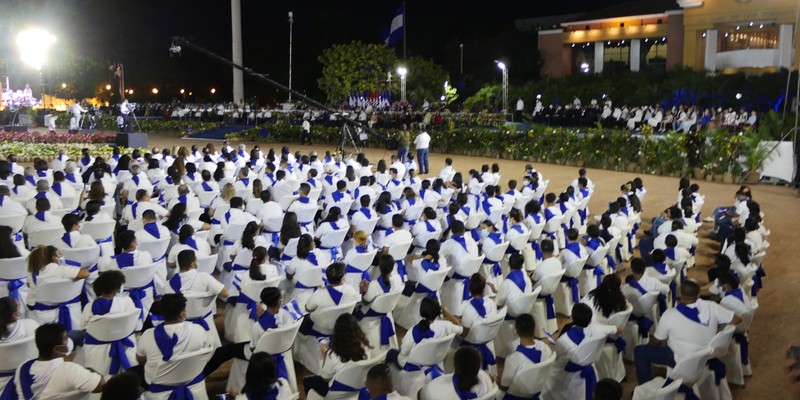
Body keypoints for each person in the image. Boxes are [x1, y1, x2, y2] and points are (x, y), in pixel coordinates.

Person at [634, 279, 741, 384]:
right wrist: (716, 329)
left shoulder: (670, 315)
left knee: (639, 351)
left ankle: (645, 387)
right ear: (699, 294)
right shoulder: (712, 306)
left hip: (680, 360)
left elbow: (656, 341)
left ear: (680, 292)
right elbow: (737, 319)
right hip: (706, 355)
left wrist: (649, 347)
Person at [134, 293, 212, 394]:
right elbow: (206, 354)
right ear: (182, 314)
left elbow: (140, 360)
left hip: (158, 386)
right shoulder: (199, 330)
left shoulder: (148, 335)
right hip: (193, 380)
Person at [9, 323, 104, 398]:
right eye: (66, 338)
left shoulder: (22, 368)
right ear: (58, 349)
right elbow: (101, 385)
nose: (68, 341)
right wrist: (88, 370)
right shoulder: (69, 370)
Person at [303, 314, 371, 397]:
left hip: (336, 392)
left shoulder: (333, 354)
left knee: (307, 381)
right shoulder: (366, 345)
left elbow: (325, 378)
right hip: (359, 384)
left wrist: (325, 356)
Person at [26, 246, 90, 331]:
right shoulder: (61, 270)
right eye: (59, 254)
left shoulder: (32, 275)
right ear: (54, 258)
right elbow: (85, 273)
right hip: (72, 310)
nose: (61, 256)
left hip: (41, 316)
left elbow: (28, 285)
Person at [498, 313, 553, 399]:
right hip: (538, 390)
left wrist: (497, 382)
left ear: (516, 331)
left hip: (516, 396)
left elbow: (504, 386)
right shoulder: (546, 348)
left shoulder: (513, 359)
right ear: (534, 329)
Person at [419, 346, 494, 400]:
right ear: (478, 366)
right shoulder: (485, 378)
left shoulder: (436, 389)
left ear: (455, 365)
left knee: (429, 373)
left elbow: (419, 395)